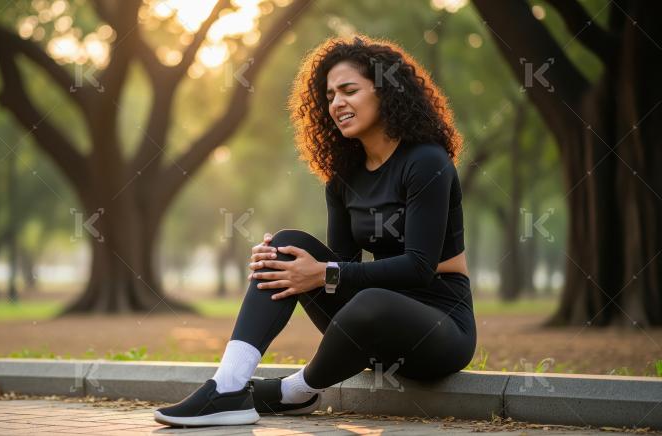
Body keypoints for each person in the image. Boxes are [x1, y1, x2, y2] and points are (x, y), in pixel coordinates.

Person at [154, 34, 476, 427]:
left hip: (439, 329)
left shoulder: (426, 160)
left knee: (371, 299)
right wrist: (290, 267)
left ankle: (296, 391)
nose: (337, 103)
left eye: (349, 90)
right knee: (286, 246)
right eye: (329, 96)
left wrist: (323, 273)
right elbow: (344, 267)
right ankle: (228, 386)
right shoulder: (343, 177)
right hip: (367, 328)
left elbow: (419, 267)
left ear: (386, 91)